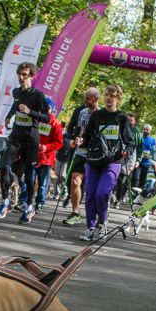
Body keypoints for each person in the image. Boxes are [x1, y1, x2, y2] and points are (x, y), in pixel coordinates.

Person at [78, 85, 134, 240]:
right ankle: (90, 227)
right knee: (90, 195)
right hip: (94, 160)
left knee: (102, 194)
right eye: (107, 95)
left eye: (112, 95)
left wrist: (127, 152)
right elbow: (87, 138)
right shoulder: (97, 115)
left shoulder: (122, 118)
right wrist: (79, 141)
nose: (109, 98)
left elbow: (130, 142)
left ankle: (102, 223)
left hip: (113, 162)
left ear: (118, 98)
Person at [0, 62, 49, 222]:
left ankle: (30, 206)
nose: (21, 77)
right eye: (19, 74)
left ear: (31, 76)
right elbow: (15, 105)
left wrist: (30, 112)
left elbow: (46, 117)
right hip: (16, 137)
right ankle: (5, 202)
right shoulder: (16, 92)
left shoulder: (38, 95)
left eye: (25, 74)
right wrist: (8, 116)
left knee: (30, 175)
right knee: (4, 166)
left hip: (31, 140)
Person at [19, 96, 63, 219]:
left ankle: (39, 203)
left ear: (51, 109)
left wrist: (45, 147)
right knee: (29, 179)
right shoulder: (34, 119)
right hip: (32, 155)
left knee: (43, 183)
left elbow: (59, 142)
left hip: (46, 158)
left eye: (47, 108)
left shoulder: (55, 123)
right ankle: (23, 201)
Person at [61, 87, 99, 225]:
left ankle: (96, 215)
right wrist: (72, 140)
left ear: (96, 99)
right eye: (85, 98)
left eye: (88, 99)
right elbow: (71, 129)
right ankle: (75, 212)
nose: (85, 101)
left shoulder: (101, 114)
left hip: (95, 155)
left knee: (92, 187)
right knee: (75, 181)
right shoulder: (79, 111)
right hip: (79, 152)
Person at [133, 123, 156, 191]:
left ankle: (139, 192)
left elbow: (155, 151)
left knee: (143, 179)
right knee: (135, 177)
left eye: (147, 130)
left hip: (147, 163)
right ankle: (132, 191)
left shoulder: (153, 140)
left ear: (150, 131)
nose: (145, 131)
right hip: (138, 161)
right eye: (144, 129)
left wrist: (149, 156)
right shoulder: (139, 137)